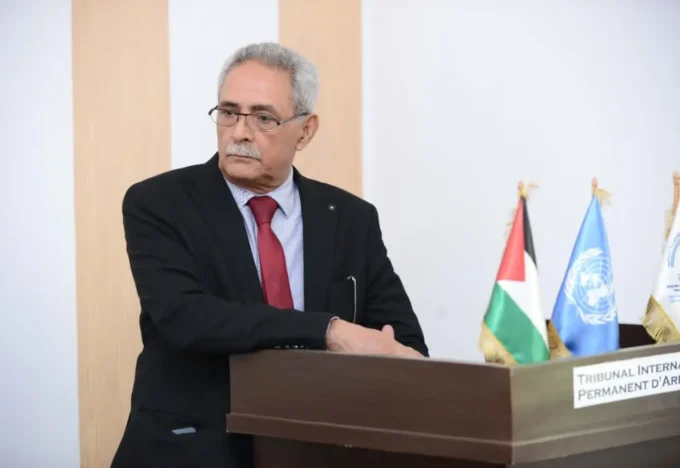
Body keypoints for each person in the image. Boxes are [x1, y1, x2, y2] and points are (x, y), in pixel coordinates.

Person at [111, 42, 428, 468]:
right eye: (229, 113)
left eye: (263, 118)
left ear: (306, 130)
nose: (240, 132)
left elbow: (403, 345)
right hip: (193, 450)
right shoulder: (160, 202)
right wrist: (329, 330)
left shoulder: (350, 217)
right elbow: (187, 318)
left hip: (317, 450)